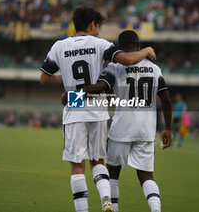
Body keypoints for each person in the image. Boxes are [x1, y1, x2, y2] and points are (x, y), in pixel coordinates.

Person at [40, 7, 157, 212]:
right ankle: (106, 200)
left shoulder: (59, 46)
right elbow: (128, 60)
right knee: (97, 161)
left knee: (77, 165)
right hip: (97, 107)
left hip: (75, 104)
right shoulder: (101, 44)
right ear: (92, 24)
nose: (98, 31)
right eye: (98, 27)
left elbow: (44, 78)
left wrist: (67, 79)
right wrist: (146, 50)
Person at [69, 30, 172, 212]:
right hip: (146, 131)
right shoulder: (155, 70)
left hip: (121, 129)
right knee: (146, 176)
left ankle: (113, 208)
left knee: (113, 174)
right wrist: (168, 129)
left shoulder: (115, 68)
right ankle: (156, 209)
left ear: (119, 48)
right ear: (138, 46)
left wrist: (72, 97)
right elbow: (166, 99)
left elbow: (100, 88)